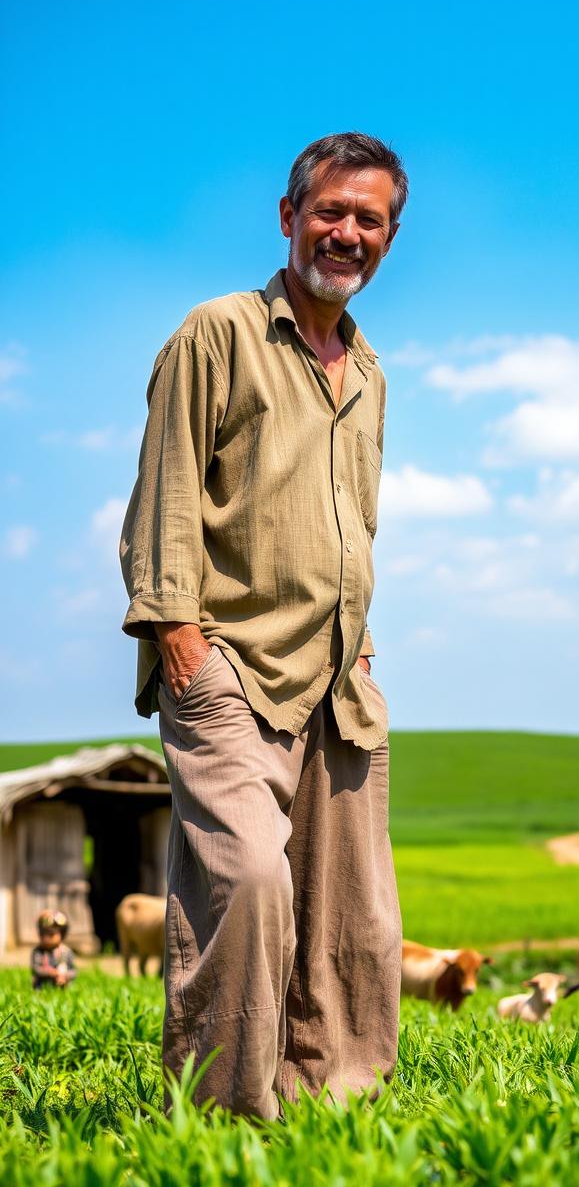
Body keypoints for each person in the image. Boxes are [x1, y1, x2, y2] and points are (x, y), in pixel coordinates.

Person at [120, 132, 406, 1119]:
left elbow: (353, 518)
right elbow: (165, 488)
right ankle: (225, 1117)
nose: (348, 232)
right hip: (228, 662)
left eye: (370, 219)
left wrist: (360, 640)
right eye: (331, 210)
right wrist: (177, 636)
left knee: (354, 915)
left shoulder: (367, 371)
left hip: (337, 676)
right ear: (289, 216)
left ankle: (334, 1107)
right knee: (246, 881)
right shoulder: (218, 332)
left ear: (389, 237)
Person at [31, 910, 77, 991]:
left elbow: (73, 971)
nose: (46, 937)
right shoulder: (38, 951)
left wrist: (64, 975)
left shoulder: (66, 951)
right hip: (43, 986)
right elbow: (36, 969)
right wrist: (50, 972)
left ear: (62, 934)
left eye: (51, 934)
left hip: (62, 984)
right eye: (43, 933)